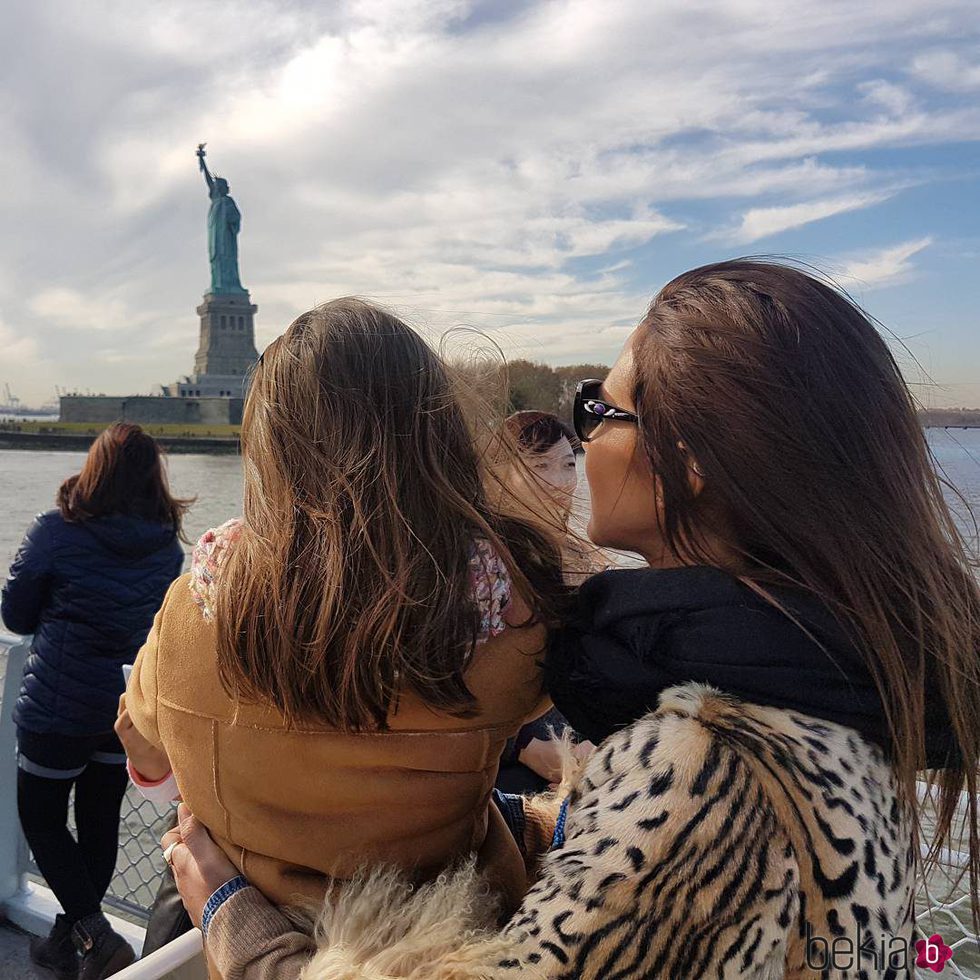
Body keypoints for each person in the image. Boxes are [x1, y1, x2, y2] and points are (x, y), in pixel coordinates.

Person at [164, 260, 980, 979]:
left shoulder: (706, 770)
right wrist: (544, 827)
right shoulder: (833, 680)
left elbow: (679, 851)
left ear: (689, 463)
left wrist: (234, 916)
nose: (583, 438)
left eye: (601, 407)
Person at [117, 299, 565, 970]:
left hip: (250, 942)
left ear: (268, 445)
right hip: (462, 944)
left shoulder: (190, 612)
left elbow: (144, 750)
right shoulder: (509, 618)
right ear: (434, 434)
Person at [1, 423, 186, 980]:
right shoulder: (165, 544)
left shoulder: (57, 531)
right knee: (101, 819)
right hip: (122, 710)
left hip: (57, 708)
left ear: (94, 468)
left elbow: (15, 614)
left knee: (40, 816)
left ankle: (91, 933)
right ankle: (72, 938)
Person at [493, 411, 597, 794]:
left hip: (575, 735)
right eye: (540, 465)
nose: (560, 482)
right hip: (512, 754)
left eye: (568, 465)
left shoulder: (582, 555)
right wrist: (521, 747)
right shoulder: (485, 564)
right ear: (500, 475)